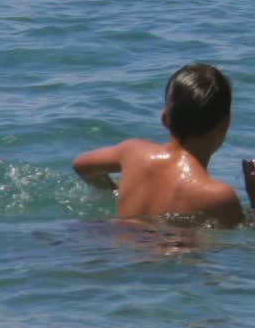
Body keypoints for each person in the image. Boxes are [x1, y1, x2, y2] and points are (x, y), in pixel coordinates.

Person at [72, 63, 243, 227]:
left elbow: (81, 165)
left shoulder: (132, 152)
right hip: (171, 253)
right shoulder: (218, 196)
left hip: (118, 243)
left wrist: (113, 191)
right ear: (225, 124)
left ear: (164, 119)